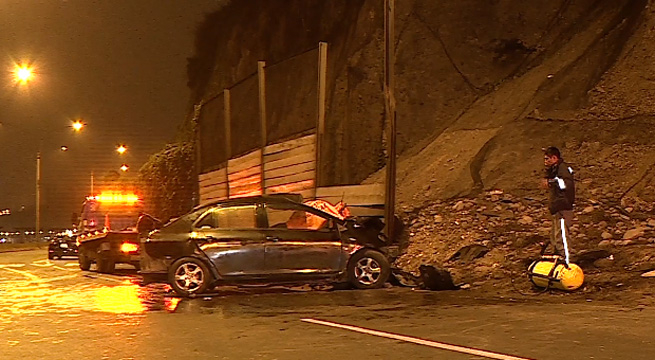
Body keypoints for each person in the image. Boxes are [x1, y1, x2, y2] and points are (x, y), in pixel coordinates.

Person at [541, 146, 576, 264]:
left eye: (547, 159)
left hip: (563, 206)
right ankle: (558, 257)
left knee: (562, 235)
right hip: (557, 207)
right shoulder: (555, 170)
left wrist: (551, 182)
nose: (545, 162)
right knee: (556, 234)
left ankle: (566, 261)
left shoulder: (563, 170)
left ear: (555, 158)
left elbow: (566, 185)